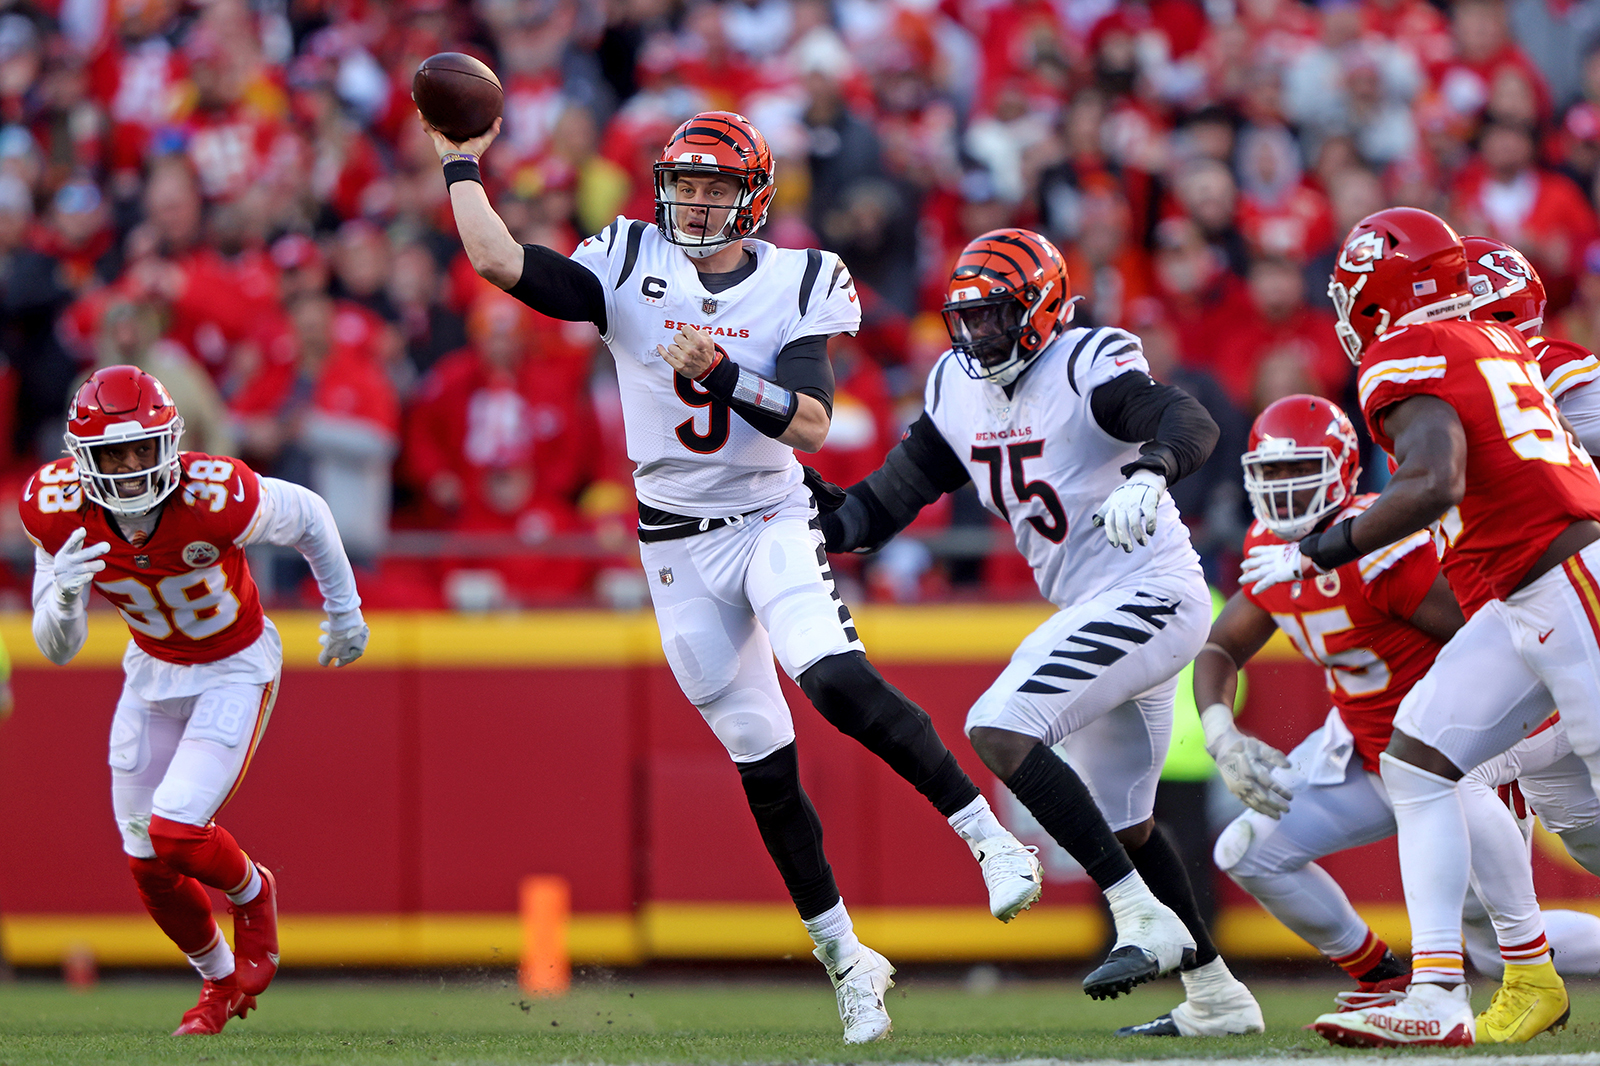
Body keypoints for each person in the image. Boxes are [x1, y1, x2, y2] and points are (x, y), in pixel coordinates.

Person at [427, 108, 1041, 1045]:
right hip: (672, 542)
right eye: (686, 185)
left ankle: (988, 838)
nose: (698, 203)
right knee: (763, 761)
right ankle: (846, 958)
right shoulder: (628, 258)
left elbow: (808, 424)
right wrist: (460, 162)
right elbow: (504, 263)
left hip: (767, 516)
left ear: (755, 197)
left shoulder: (800, 279)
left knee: (830, 675)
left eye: (716, 188)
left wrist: (722, 374)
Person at [823, 227, 1265, 1036]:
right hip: (1095, 606)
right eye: (967, 320)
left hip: (1153, 591)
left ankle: (1140, 915)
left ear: (1042, 310)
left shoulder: (1084, 365)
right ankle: (1217, 996)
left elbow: (1187, 419)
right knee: (1125, 820)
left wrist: (1150, 469)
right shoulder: (957, 388)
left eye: (994, 317)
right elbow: (877, 507)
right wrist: (807, 512)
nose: (976, 335)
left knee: (1000, 724)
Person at [1239, 207, 1600, 1047]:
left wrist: (1319, 550)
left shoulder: (1406, 354)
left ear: (1380, 289)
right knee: (1421, 758)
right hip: (1526, 590)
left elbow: (1436, 482)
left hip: (1566, 582)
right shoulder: (1496, 342)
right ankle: (1439, 992)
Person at [19, 365, 367, 1035]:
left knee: (175, 829)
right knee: (144, 862)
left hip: (232, 665)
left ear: (169, 441)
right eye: (111, 454)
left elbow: (310, 517)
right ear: (80, 457)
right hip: (151, 672)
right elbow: (57, 650)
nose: (127, 469)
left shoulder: (215, 493)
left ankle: (251, 889)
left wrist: (345, 611)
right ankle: (216, 985)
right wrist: (61, 595)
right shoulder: (54, 506)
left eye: (140, 449)